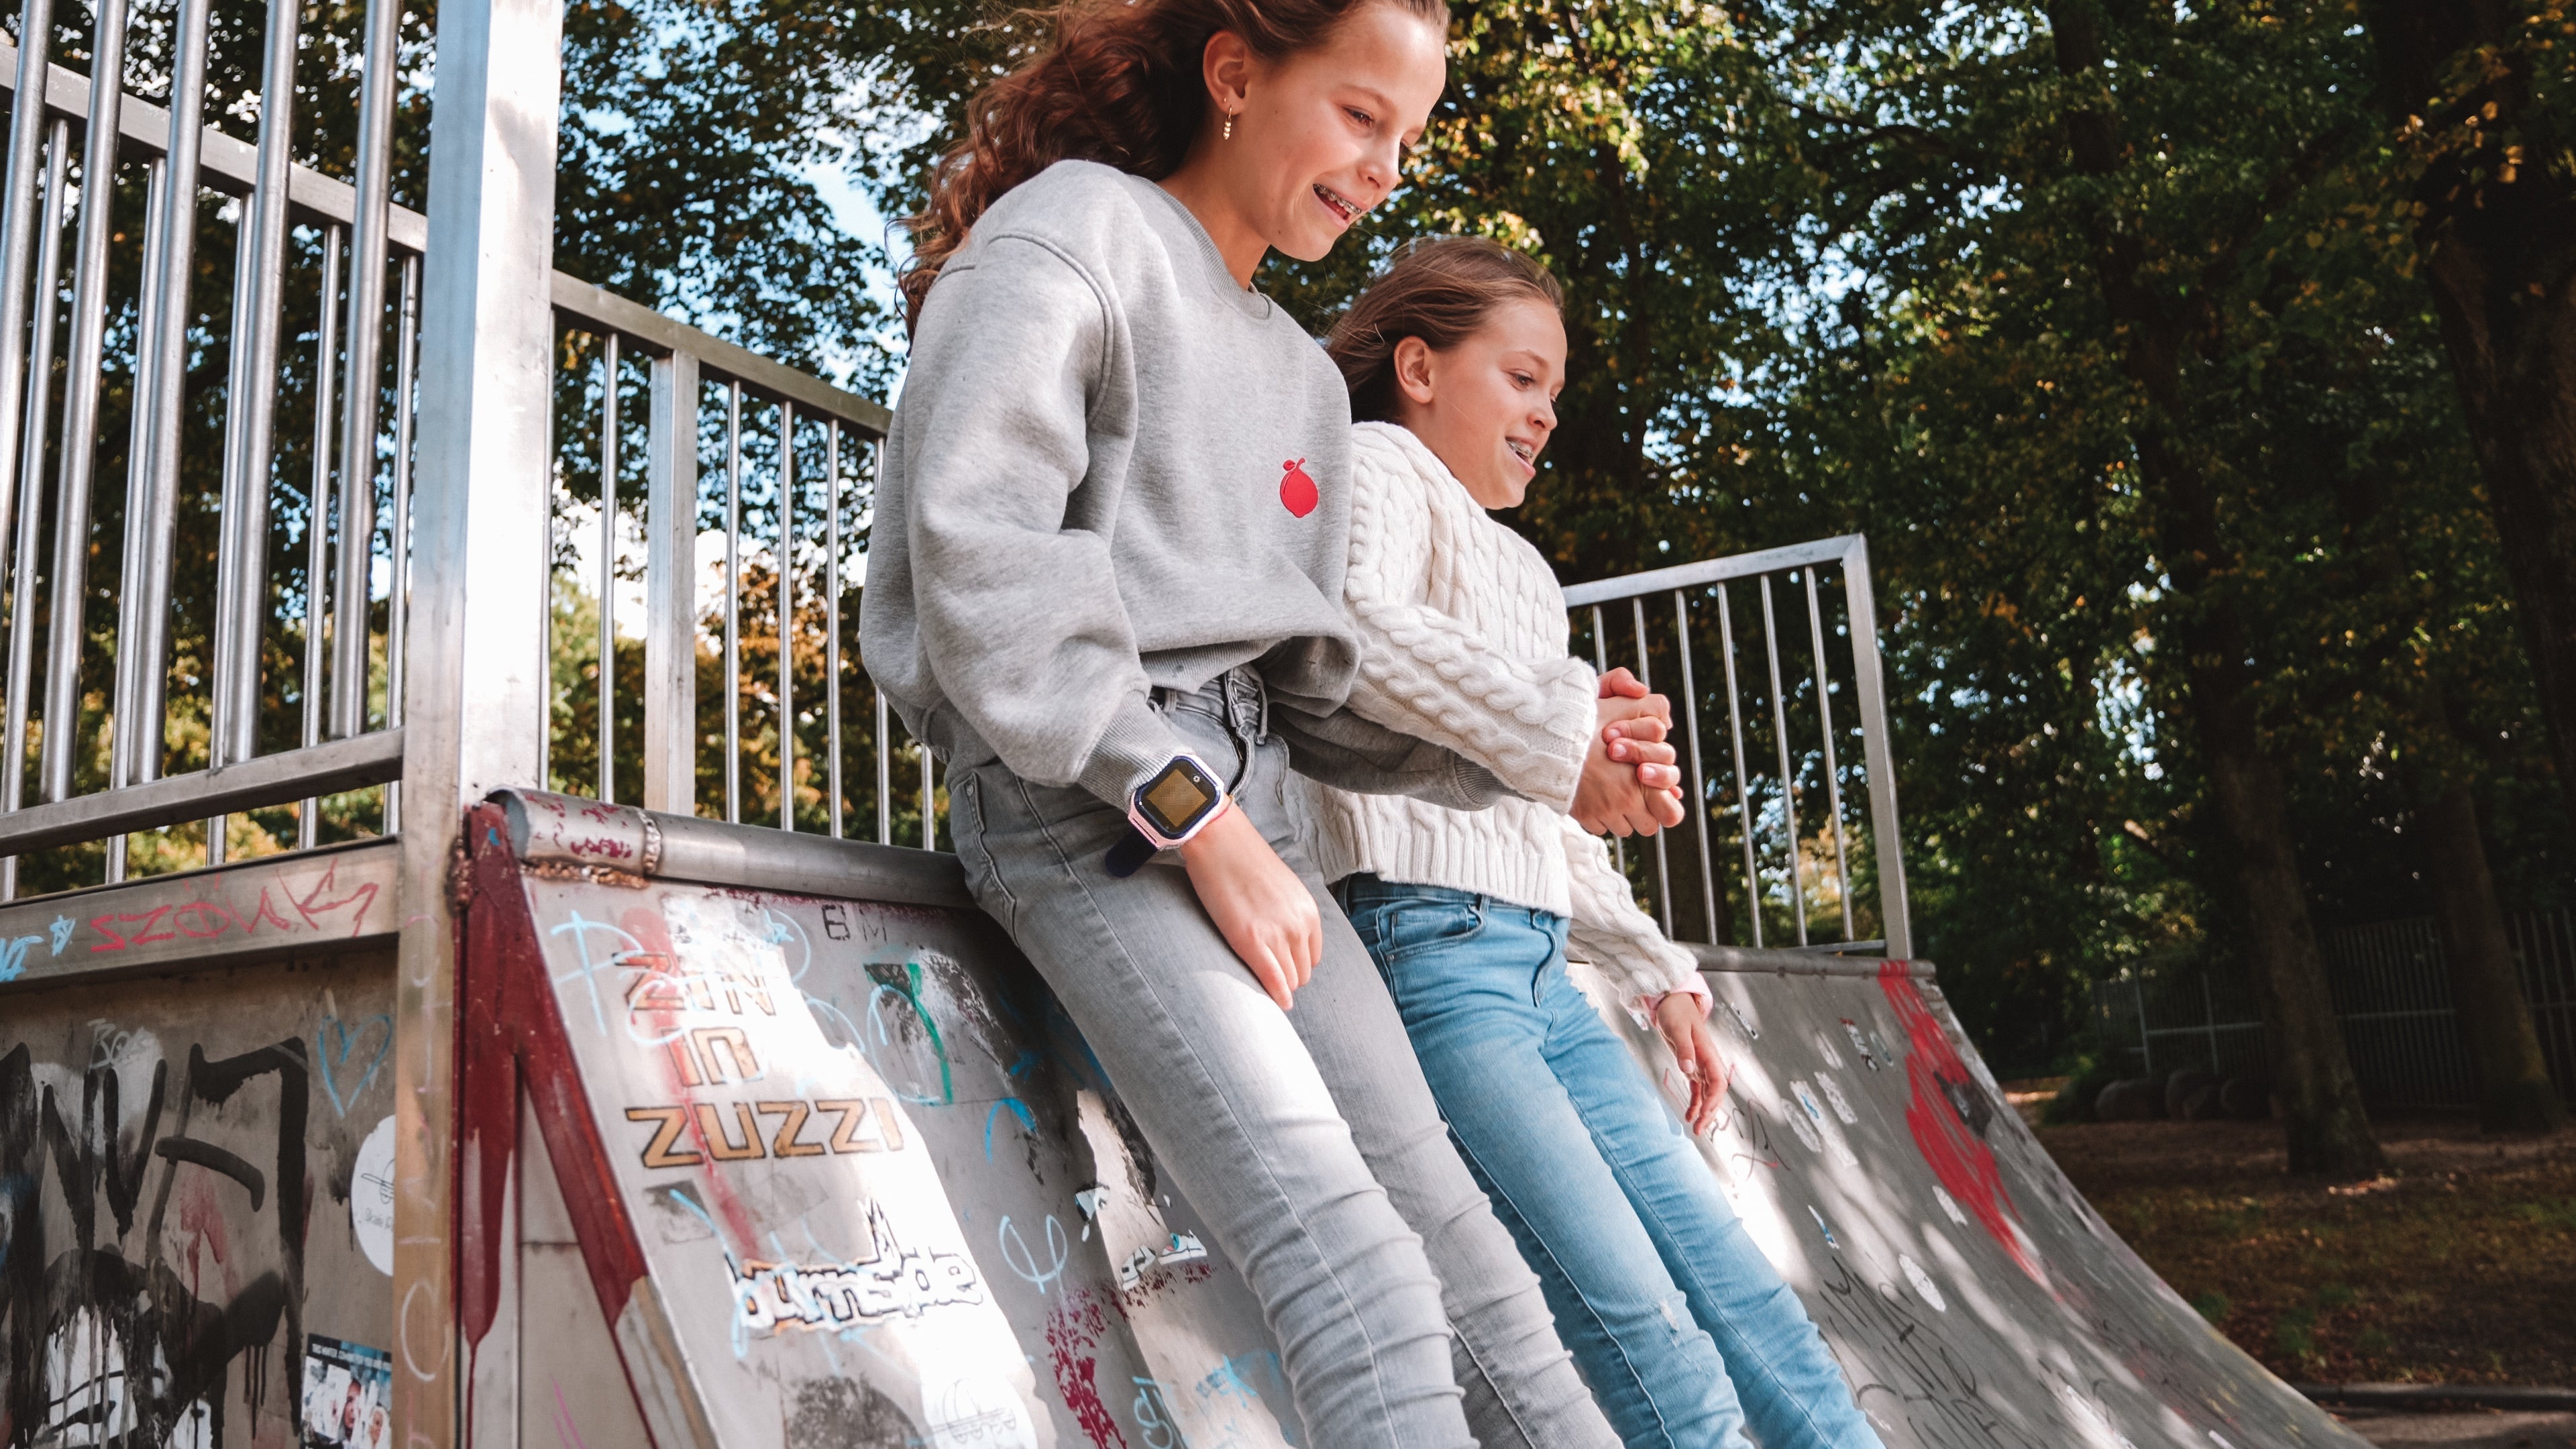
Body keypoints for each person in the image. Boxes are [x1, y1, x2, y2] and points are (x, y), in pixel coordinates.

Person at [859, 1, 1684, 1442]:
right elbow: (984, 562)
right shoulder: (1075, 236)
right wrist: (1189, 809)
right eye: (1361, 115)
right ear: (1236, 75)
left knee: (1477, 1278)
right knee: (1358, 1277)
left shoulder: (1300, 375)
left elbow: (1318, 687)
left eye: (1407, 138)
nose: (1384, 167)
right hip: (1091, 813)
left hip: (1261, 810)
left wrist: (1555, 768)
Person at [1311, 237, 1887, 1449]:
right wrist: (1572, 721)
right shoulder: (1371, 467)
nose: (1545, 417)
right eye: (1522, 380)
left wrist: (1651, 966)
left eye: (1556, 396)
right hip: (1426, 955)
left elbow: (1538, 807)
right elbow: (1352, 634)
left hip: (1541, 970)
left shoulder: (1525, 569)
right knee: (1645, 1332)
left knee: (1739, 1296)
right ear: (1417, 365)